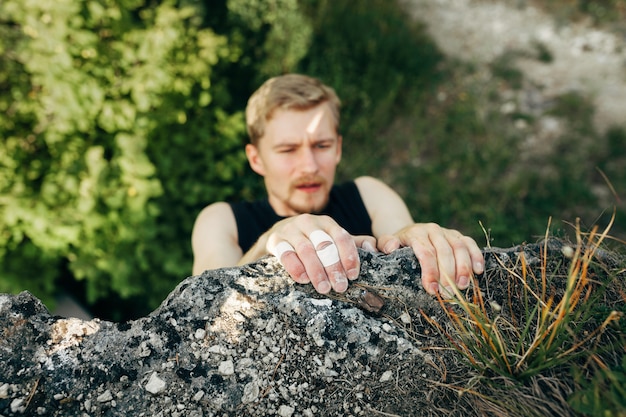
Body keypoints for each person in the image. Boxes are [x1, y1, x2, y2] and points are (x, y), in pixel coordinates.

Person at [192, 74, 484, 296]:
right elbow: (207, 298)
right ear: (256, 159)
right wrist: (272, 239)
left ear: (338, 149)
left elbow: (399, 234)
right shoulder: (221, 220)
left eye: (321, 145)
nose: (309, 165)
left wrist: (418, 236)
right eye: (287, 150)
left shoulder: (369, 194)